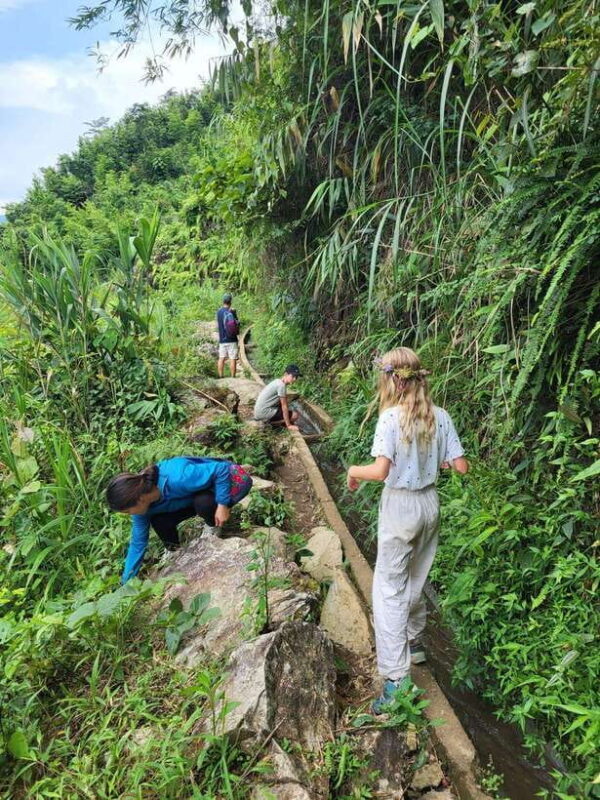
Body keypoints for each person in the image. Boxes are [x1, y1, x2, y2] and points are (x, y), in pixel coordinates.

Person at [346, 347, 468, 713]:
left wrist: (354, 471)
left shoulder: (390, 419)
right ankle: (414, 644)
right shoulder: (440, 416)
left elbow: (380, 472)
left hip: (401, 505)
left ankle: (397, 679)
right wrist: (435, 461)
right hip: (430, 504)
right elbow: (460, 466)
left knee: (387, 589)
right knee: (417, 577)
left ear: (393, 380)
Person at [106, 456, 253, 583]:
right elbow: (138, 543)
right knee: (159, 521)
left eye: (126, 511)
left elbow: (221, 469)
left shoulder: (178, 478)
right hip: (191, 496)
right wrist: (126, 582)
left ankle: (213, 527)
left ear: (139, 499)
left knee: (203, 503)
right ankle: (174, 552)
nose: (128, 514)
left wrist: (222, 504)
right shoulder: (142, 509)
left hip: (232, 481)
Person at [253, 364, 302, 431]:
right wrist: (289, 425)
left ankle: (275, 422)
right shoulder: (281, 386)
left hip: (259, 411)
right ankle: (270, 424)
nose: (294, 379)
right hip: (263, 413)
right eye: (293, 376)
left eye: (296, 377)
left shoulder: (277, 381)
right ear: (286, 374)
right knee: (295, 415)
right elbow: (284, 406)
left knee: (287, 409)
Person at [217, 293, 240, 378]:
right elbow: (237, 323)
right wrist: (235, 314)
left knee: (221, 358)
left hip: (222, 340)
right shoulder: (231, 312)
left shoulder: (219, 312)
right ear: (230, 301)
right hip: (232, 339)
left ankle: (220, 376)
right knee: (232, 358)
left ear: (223, 301)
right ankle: (233, 377)